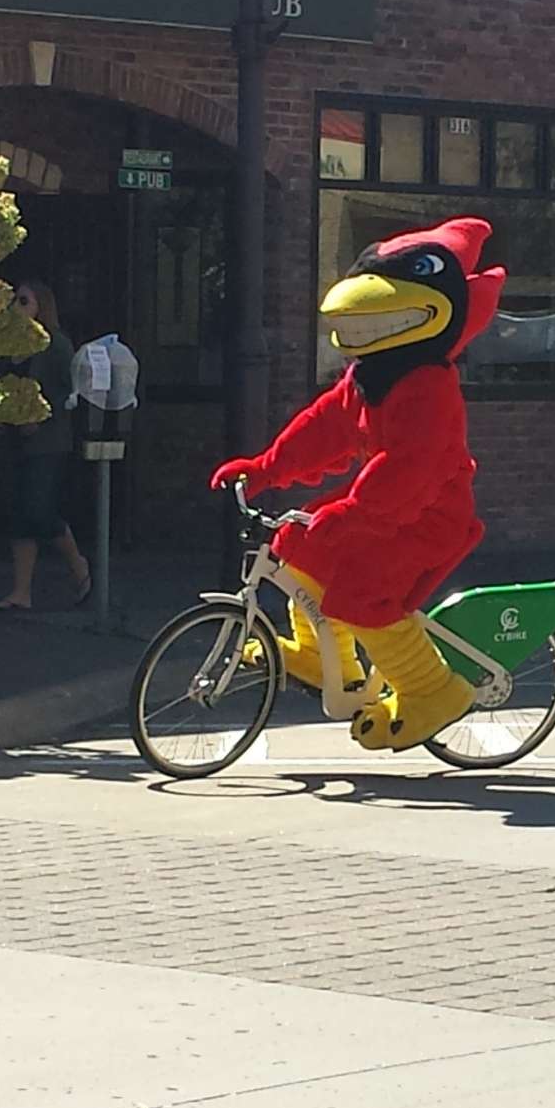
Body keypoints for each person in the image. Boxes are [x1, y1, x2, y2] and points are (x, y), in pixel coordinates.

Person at [211, 216, 505, 752]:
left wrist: (354, 515)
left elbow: (410, 467)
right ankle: (322, 660)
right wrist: (267, 467)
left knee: (361, 592)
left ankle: (430, 690)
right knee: (296, 545)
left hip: (427, 516)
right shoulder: (371, 375)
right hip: (381, 509)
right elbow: (327, 426)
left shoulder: (428, 388)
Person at [0, 282, 91, 612]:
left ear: (40, 306)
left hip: (47, 441)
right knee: (20, 513)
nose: (16, 307)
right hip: (15, 438)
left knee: (39, 509)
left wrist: (42, 417)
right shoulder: (10, 345)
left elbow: (71, 392)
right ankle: (21, 591)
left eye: (23, 301)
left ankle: (79, 566)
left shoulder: (56, 345)